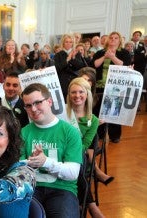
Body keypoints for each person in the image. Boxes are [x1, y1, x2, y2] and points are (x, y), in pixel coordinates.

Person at [20, 83, 82, 217]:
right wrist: (31, 163)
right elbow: (17, 170)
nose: (34, 109)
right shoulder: (23, 133)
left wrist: (45, 162)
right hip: (31, 189)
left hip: (62, 189)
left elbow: (73, 173)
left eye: (37, 103)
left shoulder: (70, 132)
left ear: (49, 101)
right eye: (28, 105)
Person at [66, 77, 108, 218]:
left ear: (87, 94)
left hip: (77, 155)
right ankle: (91, 206)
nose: (77, 96)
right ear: (69, 94)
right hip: (58, 153)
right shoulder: (62, 115)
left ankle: (85, 204)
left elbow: (85, 144)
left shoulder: (93, 120)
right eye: (73, 92)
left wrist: (71, 151)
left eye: (80, 92)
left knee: (78, 162)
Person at [92, 31, 131, 143]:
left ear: (119, 41)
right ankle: (99, 134)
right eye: (111, 38)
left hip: (116, 86)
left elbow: (125, 66)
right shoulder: (100, 52)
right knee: (98, 111)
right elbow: (95, 64)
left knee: (113, 111)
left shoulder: (124, 52)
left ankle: (114, 136)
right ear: (108, 40)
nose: (113, 40)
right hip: (100, 85)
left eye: (116, 38)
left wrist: (113, 57)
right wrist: (105, 56)